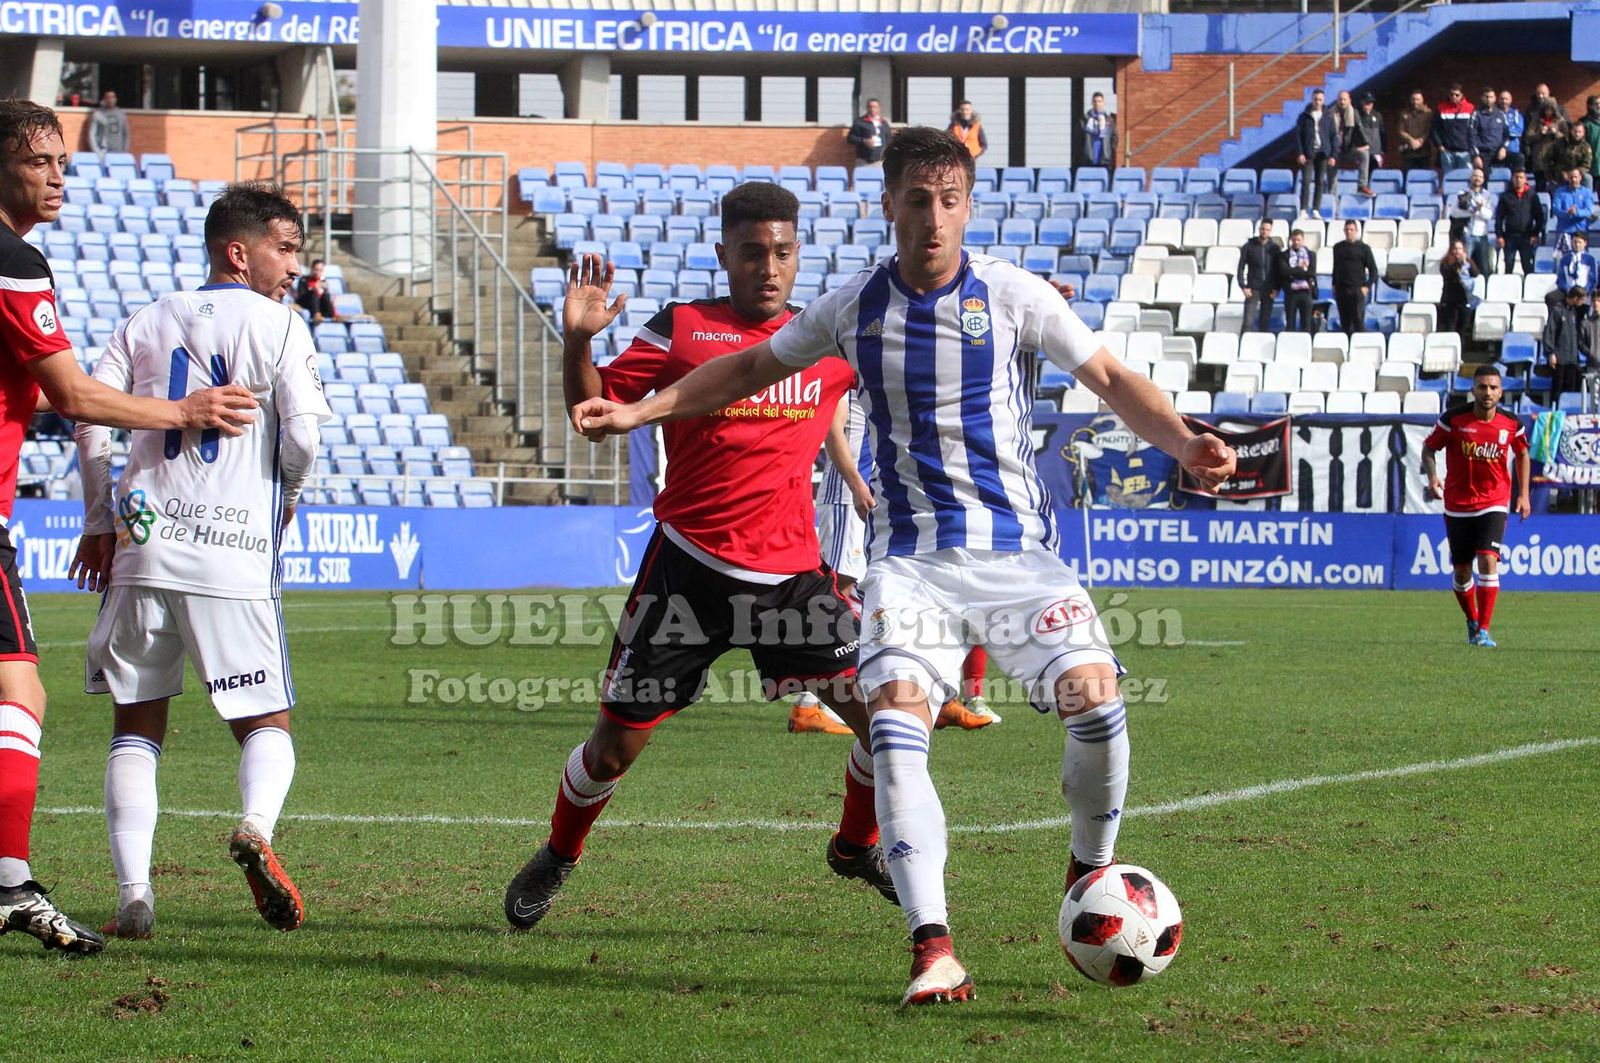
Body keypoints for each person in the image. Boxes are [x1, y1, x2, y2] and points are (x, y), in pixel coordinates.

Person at [569, 126, 1237, 1006]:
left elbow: (1110, 376)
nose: (933, 219)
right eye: (916, 201)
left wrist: (1186, 441)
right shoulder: (852, 308)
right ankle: (933, 944)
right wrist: (638, 412)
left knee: (1099, 707)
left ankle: (1091, 868)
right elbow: (743, 369)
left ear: (968, 206)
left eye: (949, 200)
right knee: (893, 724)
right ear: (887, 206)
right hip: (910, 564)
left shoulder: (1011, 293)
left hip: (1018, 559)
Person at [502, 185, 901, 935]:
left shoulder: (827, 338)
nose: (769, 266)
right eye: (752, 252)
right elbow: (591, 416)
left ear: (797, 255)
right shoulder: (683, 328)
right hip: (686, 572)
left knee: (888, 723)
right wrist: (579, 344)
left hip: (790, 580)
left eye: (783, 251)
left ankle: (856, 844)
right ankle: (559, 851)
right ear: (723, 255)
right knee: (614, 750)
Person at [0, 98, 255, 955]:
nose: (58, 176)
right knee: (19, 692)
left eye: (64, 161)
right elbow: (72, 396)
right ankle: (9, 884)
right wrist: (180, 407)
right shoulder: (14, 262)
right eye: (40, 162)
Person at [71, 183, 330, 940]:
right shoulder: (281, 325)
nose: (294, 266)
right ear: (237, 250)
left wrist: (97, 519)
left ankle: (134, 896)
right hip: (234, 554)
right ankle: (254, 827)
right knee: (265, 721)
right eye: (285, 248)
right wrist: (287, 493)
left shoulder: (147, 318)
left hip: (143, 545)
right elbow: (305, 436)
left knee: (136, 726)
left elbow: (89, 418)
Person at [794, 392, 998, 733]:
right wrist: (855, 483)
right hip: (849, 496)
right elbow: (832, 427)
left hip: (881, 496)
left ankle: (934, 692)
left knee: (901, 591)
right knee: (835, 592)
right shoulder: (848, 364)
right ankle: (807, 704)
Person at [1421, 364, 1530, 648]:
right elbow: (1429, 448)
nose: (1487, 392)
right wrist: (1433, 478)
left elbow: (1523, 454)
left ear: (1501, 391)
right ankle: (1471, 619)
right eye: (1482, 387)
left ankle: (1484, 629)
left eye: (1493, 387)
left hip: (1494, 501)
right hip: (1457, 504)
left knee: (1487, 558)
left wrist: (1524, 494)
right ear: (1472, 390)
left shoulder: (1511, 423)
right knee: (1461, 572)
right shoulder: (1454, 419)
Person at [1543, 285, 1590, 407]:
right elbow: (1550, 331)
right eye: (1581, 299)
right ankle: (1556, 410)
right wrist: (1551, 353)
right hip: (1560, 358)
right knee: (1558, 389)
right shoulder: (1558, 310)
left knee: (1572, 388)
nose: (1583, 302)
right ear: (1575, 298)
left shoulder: (1575, 311)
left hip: (1572, 358)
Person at [1495, 168, 1546, 275]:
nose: (1518, 180)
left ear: (1525, 180)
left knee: (1527, 265)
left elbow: (1539, 217)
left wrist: (1535, 234)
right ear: (1512, 179)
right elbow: (1499, 217)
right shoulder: (1506, 196)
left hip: (1526, 237)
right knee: (1508, 265)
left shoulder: (1532, 196)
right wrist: (1499, 235)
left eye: (1521, 177)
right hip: (1509, 237)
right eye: (1516, 177)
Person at [1331, 220, 1378, 337]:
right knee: (1344, 321)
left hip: (1357, 289)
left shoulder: (1364, 248)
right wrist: (1334, 285)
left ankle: (1360, 347)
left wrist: (1366, 287)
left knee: (1358, 320)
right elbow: (1336, 268)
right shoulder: (1338, 248)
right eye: (1346, 230)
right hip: (1341, 289)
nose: (1348, 232)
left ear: (1356, 231)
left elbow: (1374, 271)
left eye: (1351, 230)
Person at [1295, 89, 1337, 217]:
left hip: (1323, 153)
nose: (1317, 102)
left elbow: (1333, 136)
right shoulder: (1304, 116)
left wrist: (1333, 155)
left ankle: (1315, 209)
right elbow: (1298, 136)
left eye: (1320, 99)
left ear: (1323, 101)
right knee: (1306, 181)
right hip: (1308, 153)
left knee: (1320, 181)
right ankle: (1303, 209)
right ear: (1312, 99)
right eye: (1315, 99)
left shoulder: (1328, 116)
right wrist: (1300, 153)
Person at [1448, 168, 1496, 278]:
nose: (1477, 178)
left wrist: (1480, 209)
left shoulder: (1487, 196)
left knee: (1484, 266)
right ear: (1471, 178)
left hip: (1482, 235)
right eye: (1475, 176)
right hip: (1467, 234)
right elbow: (1454, 213)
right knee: (1463, 265)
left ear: (1483, 179)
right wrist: (1471, 211)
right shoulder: (1462, 194)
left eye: (1480, 176)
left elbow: (1489, 215)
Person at [1237, 219, 1283, 332]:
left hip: (1268, 289)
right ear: (1259, 229)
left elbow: (1278, 270)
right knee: (1248, 321)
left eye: (1267, 230)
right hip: (1253, 288)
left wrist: (1277, 288)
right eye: (1263, 229)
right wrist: (1243, 286)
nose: (1264, 232)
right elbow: (1241, 267)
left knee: (1265, 322)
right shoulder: (1248, 246)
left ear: (1270, 231)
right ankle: (1243, 346)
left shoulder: (1275, 248)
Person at [1438, 239, 1477, 344]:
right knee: (1450, 328)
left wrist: (1465, 262)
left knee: (1462, 329)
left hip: (1464, 300)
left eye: (1459, 248)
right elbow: (1449, 274)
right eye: (1455, 249)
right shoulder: (1445, 262)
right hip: (1450, 300)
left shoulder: (1468, 262)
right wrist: (1459, 265)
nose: (1457, 251)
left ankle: (1460, 353)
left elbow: (1475, 273)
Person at [1432, 83, 1476, 176]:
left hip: (1465, 152)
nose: (1454, 97)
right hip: (1447, 151)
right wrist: (1440, 146)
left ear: (1461, 95)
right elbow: (1434, 129)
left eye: (1456, 95)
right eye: (1451, 94)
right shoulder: (1441, 108)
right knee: (1448, 178)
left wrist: (1471, 148)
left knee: (1466, 177)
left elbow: (1474, 130)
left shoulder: (1470, 108)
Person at [1550, 231, 1599, 311]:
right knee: (1550, 297)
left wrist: (1585, 291)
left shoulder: (1590, 260)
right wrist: (1568, 290)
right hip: (1568, 291)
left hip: (1583, 291)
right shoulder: (1565, 259)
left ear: (1585, 243)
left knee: (1582, 302)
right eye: (1575, 242)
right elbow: (1561, 278)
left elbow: (1593, 279)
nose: (1577, 245)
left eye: (1580, 242)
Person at [1523, 103, 1566, 191]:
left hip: (1555, 156)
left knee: (1555, 185)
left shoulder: (1561, 121)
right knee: (1540, 183)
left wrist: (1556, 133)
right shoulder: (1536, 121)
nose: (1548, 112)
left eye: (1550, 110)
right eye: (1546, 110)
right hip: (1539, 156)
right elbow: (1528, 136)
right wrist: (1540, 134)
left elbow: (1566, 137)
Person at [1281, 228, 1317, 334]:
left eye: (1298, 240)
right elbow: (1284, 272)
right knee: (1290, 323)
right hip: (1291, 293)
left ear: (1303, 240)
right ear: (1291, 240)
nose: (1296, 242)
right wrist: (1301, 269)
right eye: (1294, 240)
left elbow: (1311, 273)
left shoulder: (1311, 255)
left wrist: (1292, 272)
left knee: (1306, 323)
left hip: (1306, 292)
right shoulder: (1284, 255)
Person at [1349, 92, 1385, 197]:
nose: (1368, 105)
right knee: (1363, 174)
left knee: (1375, 173)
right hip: (1363, 151)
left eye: (1370, 103)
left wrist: (1383, 150)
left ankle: (1374, 194)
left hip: (1376, 151)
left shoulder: (1377, 115)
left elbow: (1382, 133)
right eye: (1366, 103)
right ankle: (1362, 190)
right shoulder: (1357, 115)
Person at [1470, 88, 1511, 175]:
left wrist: (1504, 148)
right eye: (1486, 97)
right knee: (1482, 174)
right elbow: (1471, 137)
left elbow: (1507, 136)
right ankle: (1483, 189)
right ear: (1482, 98)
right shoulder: (1476, 114)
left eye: (1491, 97)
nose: (1489, 99)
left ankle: (1516, 186)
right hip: (1484, 154)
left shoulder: (1501, 114)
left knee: (1519, 158)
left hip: (1499, 152)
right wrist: (1476, 156)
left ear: (1495, 98)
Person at [1552, 130, 1595, 209]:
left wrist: (1576, 173)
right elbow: (1554, 161)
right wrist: (1562, 172)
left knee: (1588, 178)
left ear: (1583, 133)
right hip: (1563, 172)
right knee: (1554, 181)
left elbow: (1586, 164)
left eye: (1579, 132)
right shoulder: (1561, 144)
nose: (1577, 134)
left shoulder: (1586, 146)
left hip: (1579, 173)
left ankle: (1588, 206)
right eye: (1575, 131)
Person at [849, 98, 892, 168]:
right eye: (870, 107)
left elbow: (888, 140)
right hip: (863, 161)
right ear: (867, 108)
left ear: (879, 108)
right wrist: (864, 141)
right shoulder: (859, 122)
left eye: (874, 107)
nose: (872, 109)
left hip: (879, 162)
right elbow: (850, 138)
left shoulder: (884, 123)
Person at [1398, 91, 1434, 173]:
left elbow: (1429, 129)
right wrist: (1411, 140)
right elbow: (1401, 131)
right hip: (1408, 152)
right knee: (1407, 176)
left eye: (1418, 99)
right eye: (1413, 99)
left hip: (1423, 152)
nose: (1415, 102)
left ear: (1422, 100)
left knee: (1424, 176)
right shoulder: (1404, 113)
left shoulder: (1428, 113)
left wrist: (1421, 141)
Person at [88, 89, 129, 160]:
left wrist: (124, 151)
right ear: (104, 99)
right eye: (108, 97)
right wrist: (96, 151)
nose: (110, 100)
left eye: (112, 97)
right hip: (104, 151)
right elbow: (92, 134)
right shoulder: (97, 114)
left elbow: (126, 134)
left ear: (116, 99)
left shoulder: (121, 114)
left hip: (118, 151)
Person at [1080, 92, 1116, 168]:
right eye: (1095, 101)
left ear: (1103, 103)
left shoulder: (1109, 120)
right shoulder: (1085, 120)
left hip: (1104, 159)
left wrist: (1109, 151)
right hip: (1089, 158)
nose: (1097, 104)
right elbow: (1079, 139)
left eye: (1099, 101)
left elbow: (1114, 138)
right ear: (1092, 103)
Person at [1498, 89, 1526, 173]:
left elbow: (1519, 131)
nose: (1504, 101)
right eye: (1502, 99)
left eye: (1506, 99)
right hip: (1497, 150)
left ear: (1510, 100)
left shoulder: (1515, 114)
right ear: (1498, 100)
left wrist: (1504, 132)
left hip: (1513, 150)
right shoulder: (1494, 114)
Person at [1582, 95, 1600, 189]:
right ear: (1589, 106)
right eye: (1596, 104)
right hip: (1589, 166)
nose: (1598, 106)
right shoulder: (1584, 124)